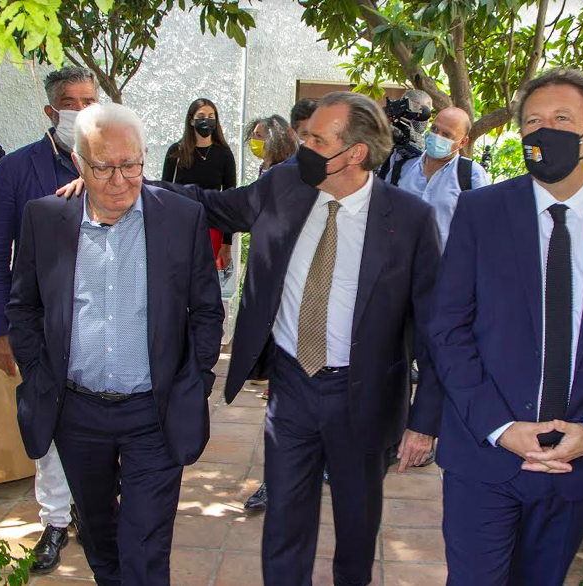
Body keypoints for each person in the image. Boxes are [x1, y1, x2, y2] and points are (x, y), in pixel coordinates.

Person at [164, 91, 443, 586]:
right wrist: (127, 183)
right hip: (291, 388)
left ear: (354, 153)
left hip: (365, 396)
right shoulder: (284, 185)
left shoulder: (410, 220)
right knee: (286, 525)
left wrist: (424, 421)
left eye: (316, 138)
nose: (302, 143)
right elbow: (213, 205)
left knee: (357, 530)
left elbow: (433, 325)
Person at [430, 68, 583, 586]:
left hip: (577, 464)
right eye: (533, 122)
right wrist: (501, 428)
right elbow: (448, 328)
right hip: (486, 455)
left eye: (562, 119)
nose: (544, 132)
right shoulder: (480, 212)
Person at [6, 103, 224, 586]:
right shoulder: (45, 218)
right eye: (103, 167)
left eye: (131, 165)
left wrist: (196, 379)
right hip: (77, 412)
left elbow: (207, 310)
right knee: (101, 539)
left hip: (154, 412)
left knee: (143, 545)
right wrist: (37, 370)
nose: (120, 179)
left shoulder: (180, 218)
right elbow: (24, 305)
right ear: (78, 163)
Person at [0, 65, 98, 574]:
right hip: (41, 323)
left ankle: (91, 510)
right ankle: (53, 521)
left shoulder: (111, 162)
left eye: (90, 100)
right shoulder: (16, 169)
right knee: (46, 421)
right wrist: (0, 329)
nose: (82, 109)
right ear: (51, 111)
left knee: (99, 417)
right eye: (72, 102)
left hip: (101, 320)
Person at [239, 113, 300, 511]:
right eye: (253, 138)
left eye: (262, 137)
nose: (257, 143)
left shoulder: (290, 176)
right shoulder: (265, 173)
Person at [396, 107, 490, 249]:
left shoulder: (471, 174)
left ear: (463, 142)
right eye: (434, 129)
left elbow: (483, 229)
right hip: (399, 265)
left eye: (446, 135)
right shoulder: (404, 166)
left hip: (446, 267)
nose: (437, 136)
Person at [162, 98, 237, 269]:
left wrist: (227, 242)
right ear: (191, 120)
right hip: (181, 227)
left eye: (211, 116)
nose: (206, 120)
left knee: (206, 280)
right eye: (201, 115)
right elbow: (163, 193)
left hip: (212, 227)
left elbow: (230, 199)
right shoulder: (176, 151)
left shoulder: (224, 154)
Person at [376, 89, 432, 181]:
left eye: (422, 112)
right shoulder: (383, 140)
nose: (415, 117)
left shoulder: (432, 147)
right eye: (411, 111)